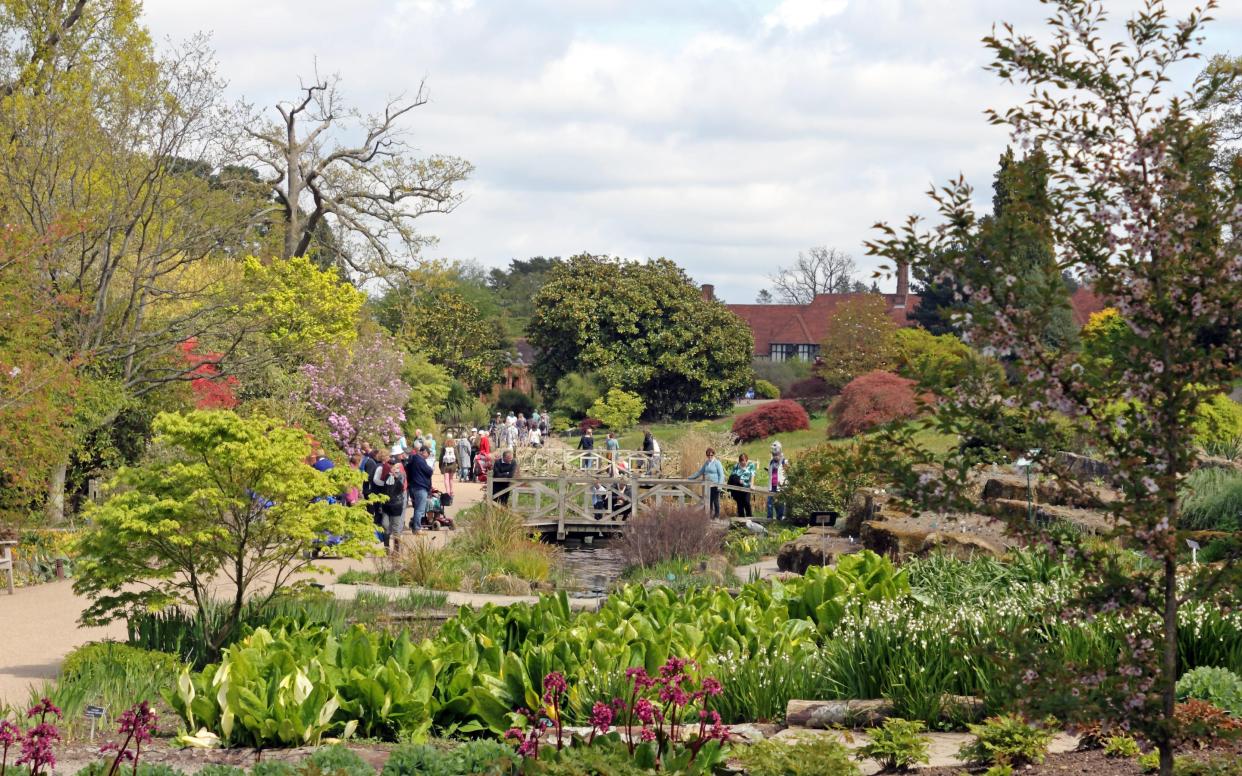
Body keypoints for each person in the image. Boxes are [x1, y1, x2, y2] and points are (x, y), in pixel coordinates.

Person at [372, 449, 406, 552]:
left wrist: (395, 476)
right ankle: (386, 548)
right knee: (385, 526)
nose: (391, 466)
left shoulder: (401, 475)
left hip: (396, 505)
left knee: (395, 529)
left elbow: (400, 487)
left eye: (393, 464)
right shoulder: (387, 475)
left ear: (397, 465)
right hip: (386, 505)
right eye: (390, 464)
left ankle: (396, 550)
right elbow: (383, 487)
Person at [687, 447, 725, 519]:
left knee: (715, 501)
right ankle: (709, 515)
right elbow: (700, 472)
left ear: (714, 455)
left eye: (711, 455)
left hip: (715, 485)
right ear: (706, 455)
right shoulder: (706, 463)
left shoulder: (717, 463)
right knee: (709, 501)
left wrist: (720, 486)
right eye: (708, 455)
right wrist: (691, 477)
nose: (710, 456)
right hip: (708, 486)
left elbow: (721, 475)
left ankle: (717, 515)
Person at [405, 446, 434, 533]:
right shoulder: (419, 460)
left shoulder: (412, 460)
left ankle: (415, 526)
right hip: (420, 487)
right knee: (420, 509)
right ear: (424, 452)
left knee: (417, 508)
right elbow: (429, 471)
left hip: (413, 486)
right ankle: (417, 528)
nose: (427, 457)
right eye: (427, 455)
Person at [729, 453, 757, 517]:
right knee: (740, 504)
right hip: (738, 487)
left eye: (744, 461)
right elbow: (732, 476)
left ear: (747, 460)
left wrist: (752, 484)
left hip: (746, 486)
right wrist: (738, 480)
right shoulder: (736, 466)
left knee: (747, 502)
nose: (743, 463)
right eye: (741, 462)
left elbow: (752, 475)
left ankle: (749, 518)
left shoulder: (751, 465)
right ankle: (741, 520)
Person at [767, 441, 789, 520]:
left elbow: (789, 474)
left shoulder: (785, 462)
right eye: (773, 455)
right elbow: (769, 472)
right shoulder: (771, 462)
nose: (774, 456)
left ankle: (779, 519)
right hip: (771, 486)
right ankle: (769, 518)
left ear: (780, 453)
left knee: (779, 504)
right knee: (770, 503)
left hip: (781, 487)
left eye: (776, 454)